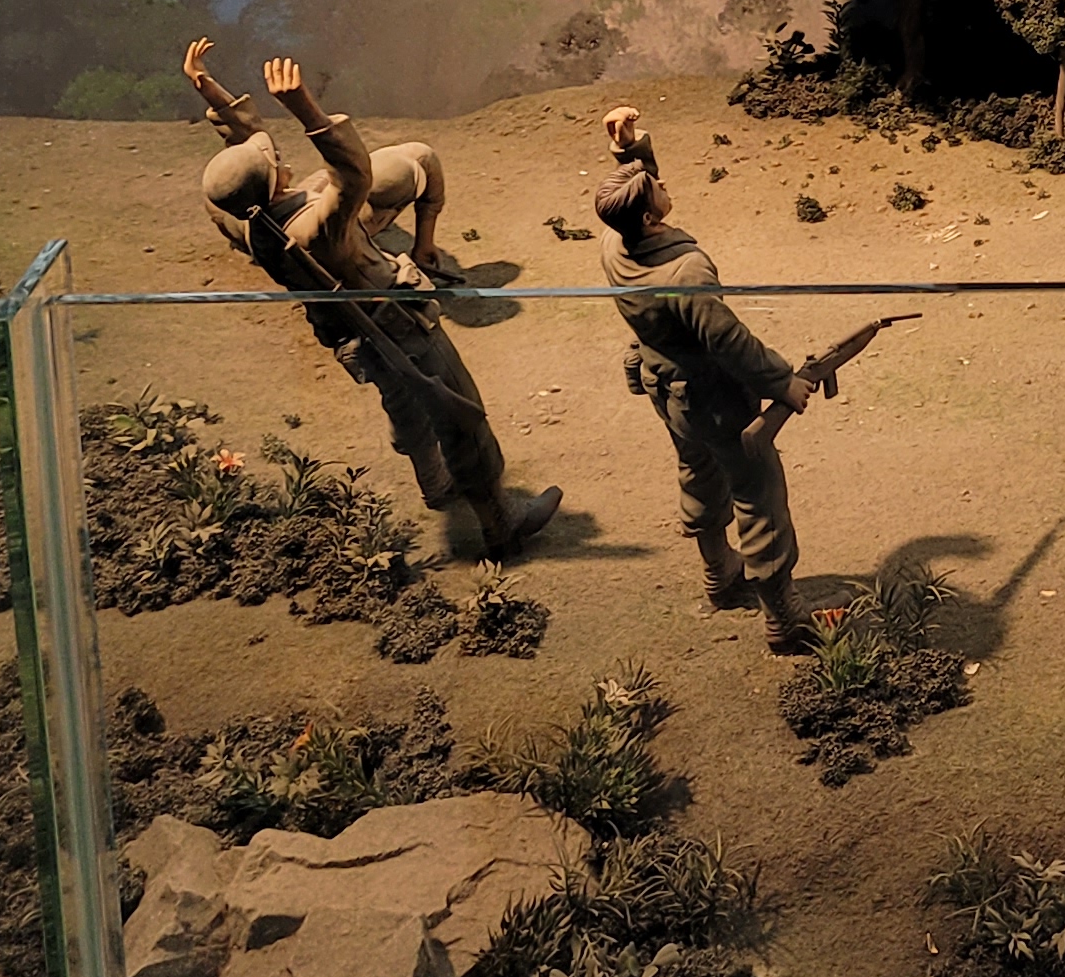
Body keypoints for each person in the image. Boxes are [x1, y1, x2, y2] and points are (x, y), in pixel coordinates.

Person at [185, 39, 551, 557]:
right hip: (398, 326)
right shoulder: (317, 227)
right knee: (461, 415)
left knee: (404, 405)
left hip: (351, 336)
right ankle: (501, 523)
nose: (277, 156)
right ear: (272, 179)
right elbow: (355, 172)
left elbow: (245, 152)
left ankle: (434, 484)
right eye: (273, 161)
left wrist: (211, 92)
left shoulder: (251, 225)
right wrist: (307, 110)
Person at [595, 104, 822, 649]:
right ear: (649, 219)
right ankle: (782, 616)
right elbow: (728, 341)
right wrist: (781, 382)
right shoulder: (686, 271)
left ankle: (719, 572)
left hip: (665, 387)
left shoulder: (614, 245)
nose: (664, 184)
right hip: (714, 397)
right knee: (757, 492)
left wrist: (629, 151)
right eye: (656, 188)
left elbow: (631, 203)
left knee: (696, 471)